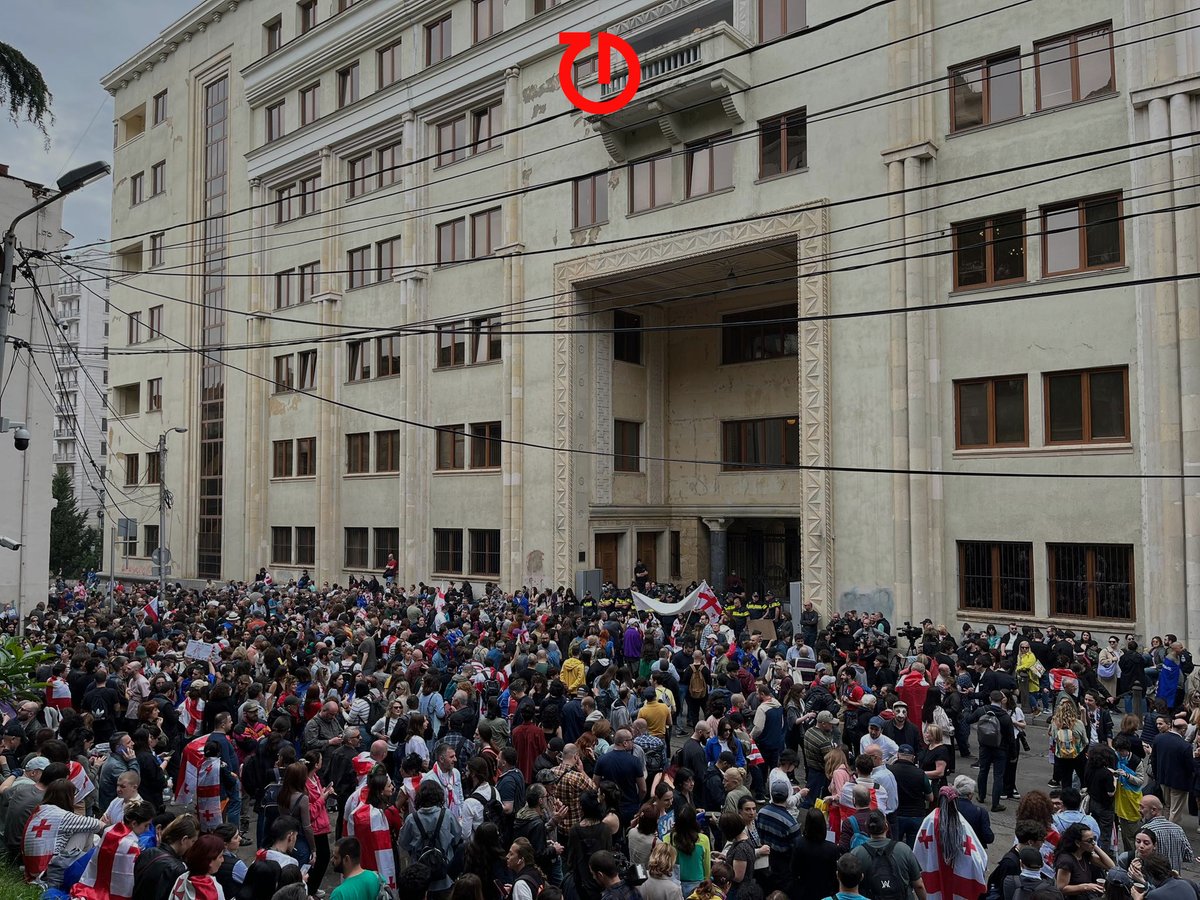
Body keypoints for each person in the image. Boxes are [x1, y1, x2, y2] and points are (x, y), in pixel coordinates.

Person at [22, 778, 105, 887]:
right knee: (86, 829)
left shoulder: (39, 810)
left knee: (86, 831)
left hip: (32, 869)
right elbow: (97, 825)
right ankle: (86, 873)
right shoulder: (63, 815)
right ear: (67, 796)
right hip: (50, 870)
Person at [913, 787, 988, 900]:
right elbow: (977, 854)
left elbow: (919, 851)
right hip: (957, 880)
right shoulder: (961, 823)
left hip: (935, 875)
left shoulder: (930, 820)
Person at [72, 798, 154, 900]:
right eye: (146, 825)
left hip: (91, 886)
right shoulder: (132, 846)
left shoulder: (110, 830)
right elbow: (129, 879)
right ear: (134, 823)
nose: (147, 830)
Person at [398, 779, 462, 899]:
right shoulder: (447, 815)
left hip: (420, 878)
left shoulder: (412, 819)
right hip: (445, 875)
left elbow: (403, 843)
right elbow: (457, 836)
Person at [849, 809, 926, 900]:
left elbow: (851, 888)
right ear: (886, 826)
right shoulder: (904, 849)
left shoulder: (856, 853)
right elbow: (919, 885)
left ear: (867, 829)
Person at [132, 815, 200, 900]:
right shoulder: (179, 869)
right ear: (184, 839)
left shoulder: (147, 852)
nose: (193, 846)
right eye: (193, 841)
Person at [970, 691, 1015, 812]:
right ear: (1002, 700)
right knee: (998, 776)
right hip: (1000, 748)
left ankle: (981, 795)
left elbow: (969, 719)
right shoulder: (1005, 716)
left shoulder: (982, 710)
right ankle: (995, 804)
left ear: (990, 698)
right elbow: (1011, 738)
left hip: (984, 747)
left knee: (983, 771)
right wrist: (1013, 754)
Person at [716, 809, 766, 900]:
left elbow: (738, 877)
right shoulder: (744, 839)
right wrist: (725, 857)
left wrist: (720, 866)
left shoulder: (740, 849)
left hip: (736, 891)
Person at [1054, 824, 1114, 896]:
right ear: (1078, 843)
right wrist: (1086, 887)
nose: (1093, 843)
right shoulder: (1066, 861)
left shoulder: (1084, 854)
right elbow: (1061, 888)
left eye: (1094, 839)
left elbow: (1111, 866)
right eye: (1089, 840)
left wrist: (1095, 846)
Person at [665, 805, 711, 898]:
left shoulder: (667, 838)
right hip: (698, 884)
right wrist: (707, 879)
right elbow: (706, 864)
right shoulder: (703, 839)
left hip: (675, 882)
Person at [168, 833, 227, 900]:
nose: (222, 860)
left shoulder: (181, 879)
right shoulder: (215, 889)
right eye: (220, 856)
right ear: (209, 861)